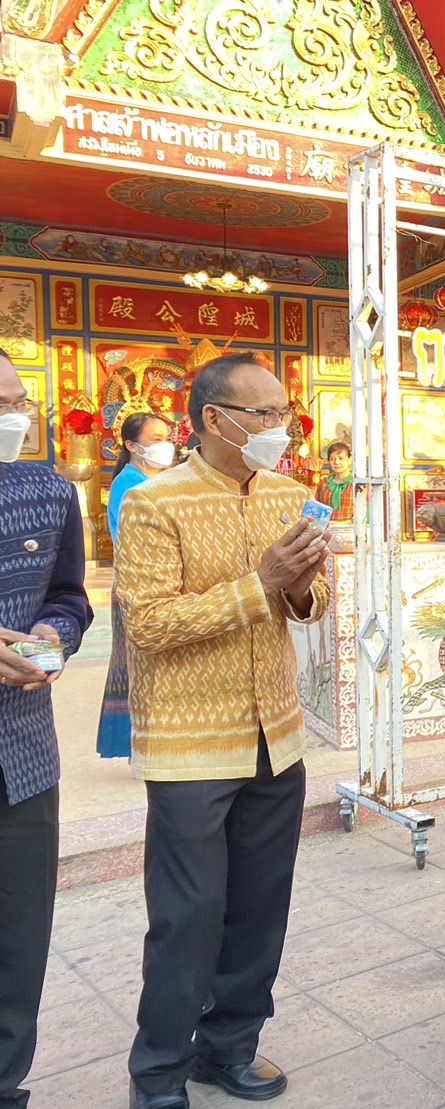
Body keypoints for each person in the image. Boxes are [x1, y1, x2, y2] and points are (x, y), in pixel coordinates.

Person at [116, 353, 331, 1109]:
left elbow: (311, 603)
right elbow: (147, 624)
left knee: (258, 908)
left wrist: (303, 587)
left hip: (275, 732)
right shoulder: (153, 503)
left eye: (284, 414)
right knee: (186, 918)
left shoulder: (291, 495)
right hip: (189, 745)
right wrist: (262, 582)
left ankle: (230, 1047)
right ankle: (159, 1072)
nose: (281, 428)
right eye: (264, 414)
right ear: (213, 418)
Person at [0, 349, 93, 1109]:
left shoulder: (48, 491)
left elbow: (70, 597)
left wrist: (52, 636)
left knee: (17, 938)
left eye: (21, 401)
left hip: (23, 756)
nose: (16, 417)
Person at [97, 412, 175, 760]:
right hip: (138, 586)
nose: (165, 445)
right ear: (131, 445)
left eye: (167, 437)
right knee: (136, 665)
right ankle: (141, 744)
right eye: (155, 438)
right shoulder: (129, 485)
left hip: (159, 584)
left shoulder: (158, 479)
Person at [313, 440, 354, 523]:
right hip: (326, 530)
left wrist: (346, 522)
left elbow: (365, 512)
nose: (337, 462)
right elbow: (316, 509)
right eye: (332, 459)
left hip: (350, 531)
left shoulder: (357, 484)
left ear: (349, 460)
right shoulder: (324, 483)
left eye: (341, 458)